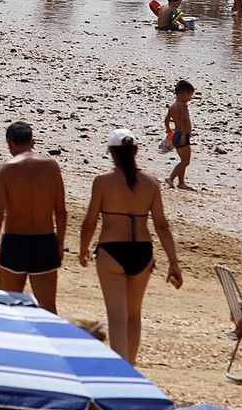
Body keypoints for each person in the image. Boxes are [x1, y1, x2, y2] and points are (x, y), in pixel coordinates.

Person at [78, 129, 183, 365]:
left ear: (111, 153)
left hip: (112, 249)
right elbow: (162, 226)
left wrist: (83, 248)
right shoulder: (150, 182)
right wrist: (174, 262)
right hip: (142, 251)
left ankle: (120, 372)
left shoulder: (103, 181)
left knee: (117, 316)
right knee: (134, 315)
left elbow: (90, 220)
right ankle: (131, 366)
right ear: (136, 151)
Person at [0, 121, 67, 312]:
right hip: (44, 241)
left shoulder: (6, 169)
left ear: (9, 143)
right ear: (33, 142)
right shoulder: (51, 166)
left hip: (15, 241)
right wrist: (59, 244)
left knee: (9, 308)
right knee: (48, 309)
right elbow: (61, 210)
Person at [162, 80, 195, 188]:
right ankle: (170, 178)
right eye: (189, 96)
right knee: (186, 162)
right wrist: (184, 135)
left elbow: (166, 120)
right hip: (182, 135)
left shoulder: (172, 106)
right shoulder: (183, 106)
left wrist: (169, 130)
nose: (189, 99)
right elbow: (184, 121)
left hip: (176, 134)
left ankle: (181, 182)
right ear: (184, 94)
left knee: (183, 161)